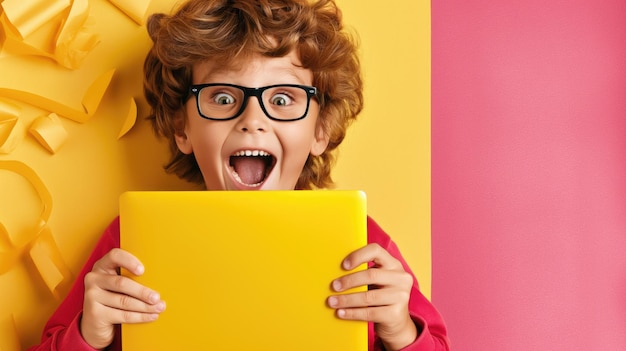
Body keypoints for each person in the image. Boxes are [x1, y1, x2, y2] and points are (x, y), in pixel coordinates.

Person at [28, 0, 450, 350]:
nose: (253, 119)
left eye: (283, 98)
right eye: (224, 96)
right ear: (183, 129)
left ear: (320, 130)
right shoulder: (133, 242)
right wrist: (88, 334)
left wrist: (402, 332)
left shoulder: (362, 244)